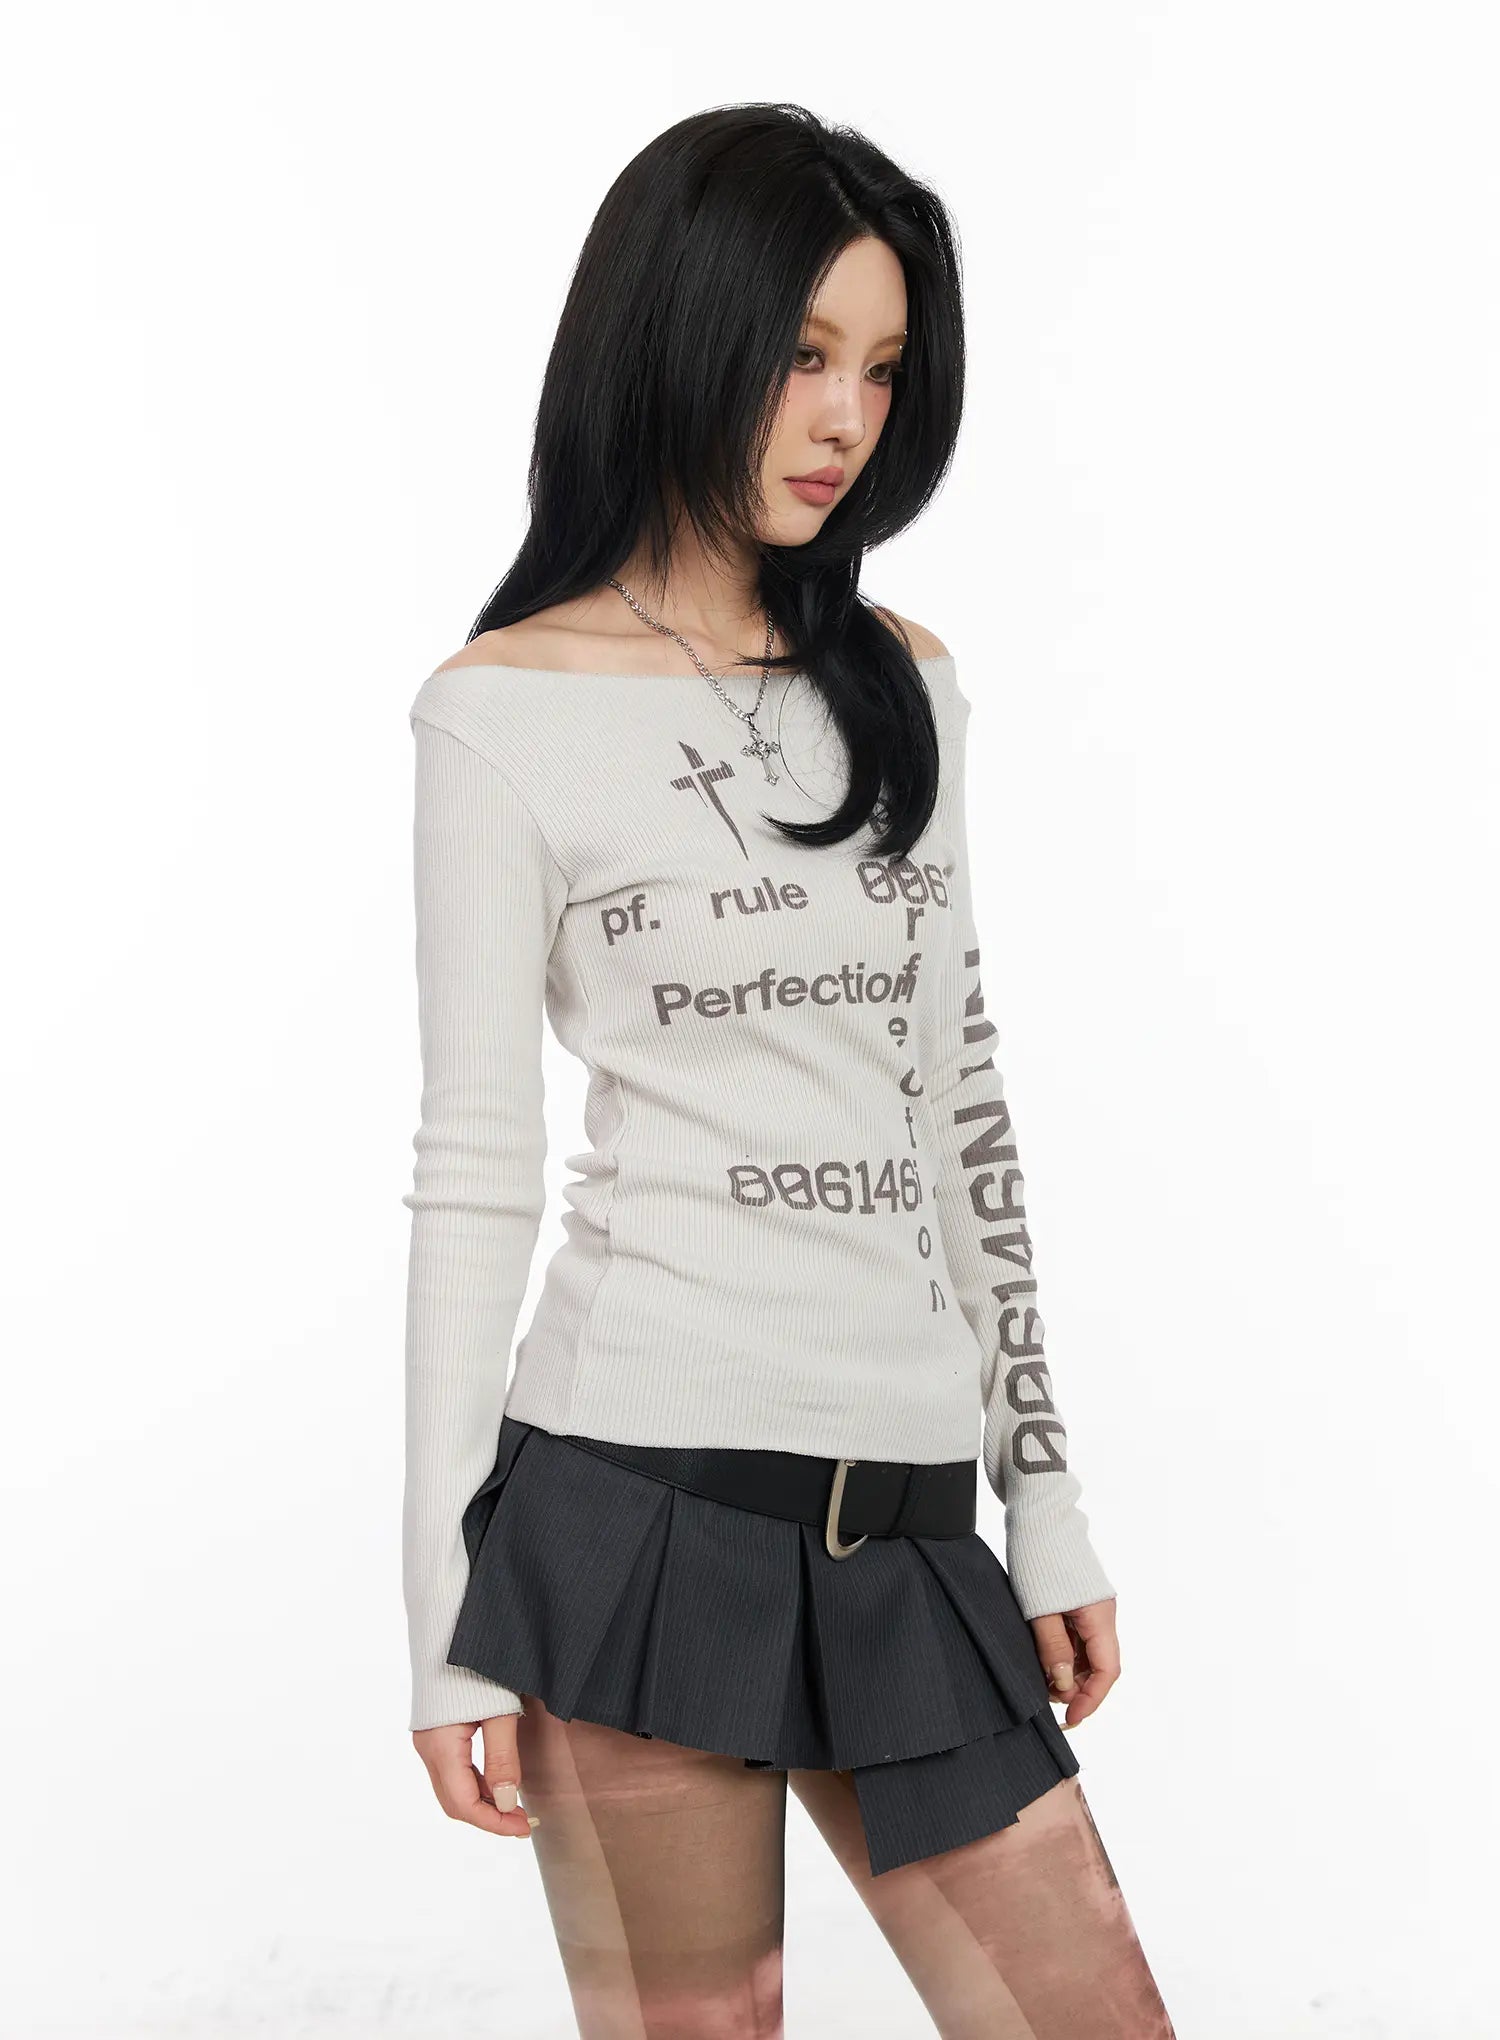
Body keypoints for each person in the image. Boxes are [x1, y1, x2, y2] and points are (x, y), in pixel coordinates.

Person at [400, 100, 1176, 2037]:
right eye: (803, 355)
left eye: (884, 369)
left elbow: (956, 1100)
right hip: (628, 1522)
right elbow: (476, 1170)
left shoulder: (904, 681)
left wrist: (1043, 1500)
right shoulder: (503, 715)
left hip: (909, 1526)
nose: (846, 420)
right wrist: (443, 1618)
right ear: (677, 337)